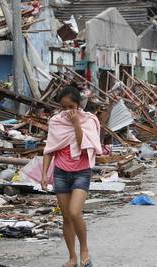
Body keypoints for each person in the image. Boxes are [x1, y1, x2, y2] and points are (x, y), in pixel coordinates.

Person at [41, 86, 102, 267]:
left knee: (75, 212)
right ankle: (72, 257)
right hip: (60, 172)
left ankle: (84, 250)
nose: (68, 111)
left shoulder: (89, 120)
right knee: (66, 217)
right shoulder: (56, 121)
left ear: (78, 104)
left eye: (71, 106)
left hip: (81, 172)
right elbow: (50, 149)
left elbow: (84, 144)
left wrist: (76, 124)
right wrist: (44, 174)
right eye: (64, 107)